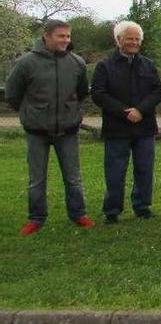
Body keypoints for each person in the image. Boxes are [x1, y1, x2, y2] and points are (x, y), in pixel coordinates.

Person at [5, 19, 94, 235]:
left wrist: (69, 111)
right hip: (37, 132)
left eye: (68, 36)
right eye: (61, 36)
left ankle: (78, 214)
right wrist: (32, 114)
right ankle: (36, 218)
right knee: (37, 179)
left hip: (68, 131)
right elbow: (13, 94)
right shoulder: (26, 63)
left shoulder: (77, 63)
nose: (65, 40)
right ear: (47, 36)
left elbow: (81, 93)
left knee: (73, 177)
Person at [91, 21, 161, 223]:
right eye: (129, 38)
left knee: (144, 169)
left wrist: (141, 110)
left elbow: (157, 90)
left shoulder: (147, 65)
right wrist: (125, 112)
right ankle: (112, 210)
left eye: (136, 39)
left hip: (144, 126)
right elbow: (98, 94)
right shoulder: (105, 66)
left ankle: (142, 206)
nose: (133, 42)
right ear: (118, 40)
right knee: (115, 171)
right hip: (117, 128)